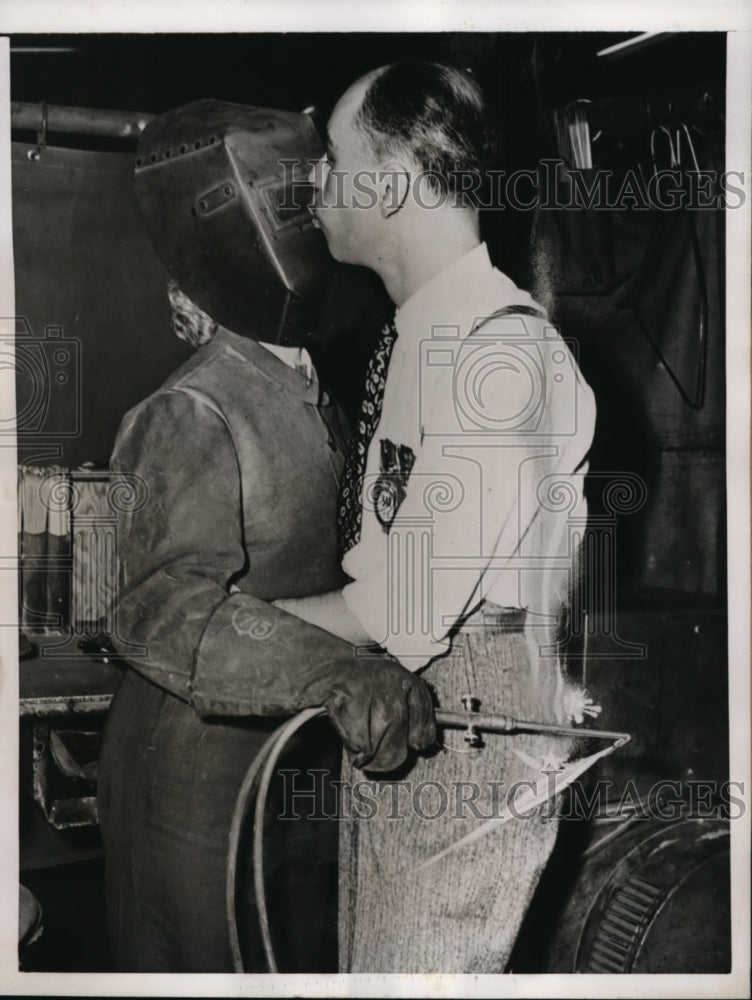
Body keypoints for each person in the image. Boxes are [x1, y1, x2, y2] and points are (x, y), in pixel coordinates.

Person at [96, 100, 435, 973]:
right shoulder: (193, 408)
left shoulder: (304, 382)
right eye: (297, 199)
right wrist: (332, 666)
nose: (318, 212)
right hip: (190, 791)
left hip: (280, 767)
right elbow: (159, 611)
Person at [276, 60, 599, 973]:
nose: (317, 184)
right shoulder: (424, 336)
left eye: (335, 159)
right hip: (416, 720)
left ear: (400, 176)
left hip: (472, 738)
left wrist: (229, 634)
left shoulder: (502, 361)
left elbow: (398, 614)